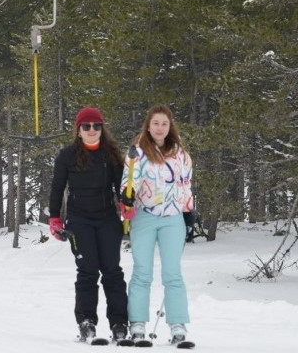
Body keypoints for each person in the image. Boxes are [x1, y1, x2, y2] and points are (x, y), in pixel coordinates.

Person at [48, 106, 128, 342]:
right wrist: (54, 218)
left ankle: (119, 323)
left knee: (112, 271)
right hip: (79, 220)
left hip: (107, 219)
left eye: (96, 126)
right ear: (78, 130)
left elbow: (122, 187)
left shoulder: (111, 154)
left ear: (102, 129)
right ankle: (86, 322)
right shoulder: (66, 156)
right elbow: (57, 187)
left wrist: (126, 204)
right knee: (87, 270)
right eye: (87, 126)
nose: (92, 130)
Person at [121, 104, 193, 345]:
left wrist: (189, 211)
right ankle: (138, 324)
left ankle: (178, 326)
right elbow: (128, 181)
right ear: (148, 126)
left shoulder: (180, 153)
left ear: (170, 126)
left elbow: (185, 183)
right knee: (142, 272)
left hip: (173, 218)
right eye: (156, 123)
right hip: (145, 216)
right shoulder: (137, 152)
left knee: (173, 273)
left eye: (164, 123)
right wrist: (127, 196)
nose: (160, 128)